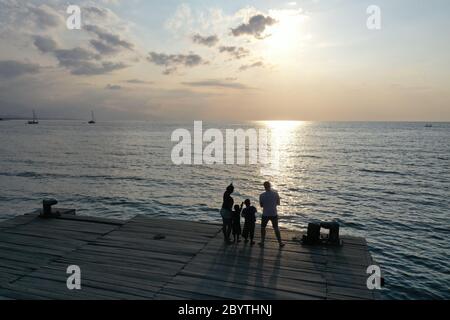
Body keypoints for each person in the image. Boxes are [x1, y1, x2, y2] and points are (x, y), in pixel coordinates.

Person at [259, 181, 285, 248]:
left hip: (265, 214)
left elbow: (261, 205)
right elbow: (278, 203)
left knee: (263, 228)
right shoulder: (275, 194)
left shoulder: (261, 195)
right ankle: (280, 242)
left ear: (264, 186)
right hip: (273, 213)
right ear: (270, 186)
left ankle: (262, 242)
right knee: (276, 228)